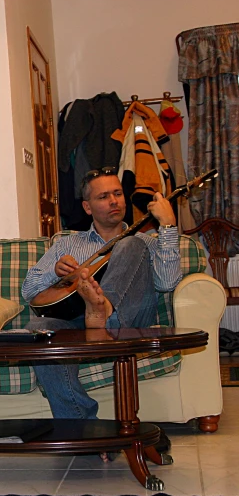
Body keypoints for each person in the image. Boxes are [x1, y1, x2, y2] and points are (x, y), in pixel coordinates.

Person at [21, 167, 181, 451]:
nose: (114, 201)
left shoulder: (144, 242)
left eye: (118, 193)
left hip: (127, 320)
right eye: (104, 196)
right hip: (80, 323)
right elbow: (28, 290)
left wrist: (167, 227)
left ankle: (103, 307)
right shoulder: (68, 244)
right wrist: (54, 273)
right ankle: (84, 432)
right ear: (87, 206)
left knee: (129, 244)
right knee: (38, 329)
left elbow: (168, 283)